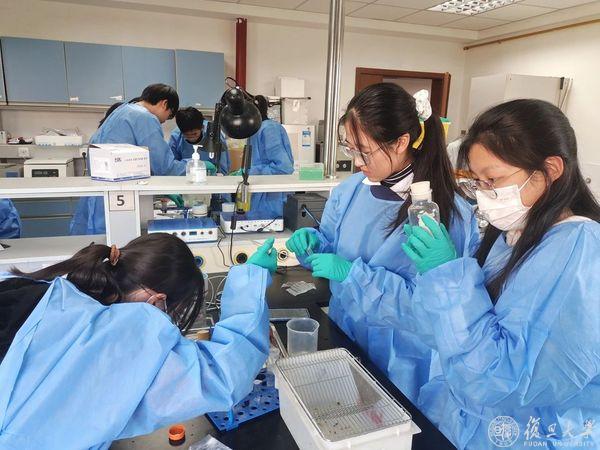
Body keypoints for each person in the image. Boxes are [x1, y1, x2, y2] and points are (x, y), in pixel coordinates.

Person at [401, 99, 600, 449]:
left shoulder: (578, 248)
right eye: (477, 183)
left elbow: (504, 381)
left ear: (551, 169)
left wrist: (448, 278)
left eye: (493, 180)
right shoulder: (512, 235)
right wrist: (436, 280)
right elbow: (447, 339)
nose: (483, 196)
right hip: (470, 424)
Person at [285, 83, 479, 402]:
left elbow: (432, 311)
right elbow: (334, 248)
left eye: (363, 151)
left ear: (401, 142)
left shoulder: (443, 212)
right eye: (349, 148)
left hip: (403, 358)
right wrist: (314, 247)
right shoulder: (351, 190)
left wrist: (353, 275)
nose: (356, 162)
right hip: (346, 334)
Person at [0, 232, 277, 449]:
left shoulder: (35, 289)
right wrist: (250, 280)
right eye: (173, 313)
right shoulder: (115, 341)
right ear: (157, 301)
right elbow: (223, 375)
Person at [70, 84, 186, 235]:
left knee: (97, 241)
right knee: (117, 240)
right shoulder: (145, 118)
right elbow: (165, 166)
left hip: (100, 192)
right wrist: (195, 166)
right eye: (169, 115)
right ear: (164, 104)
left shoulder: (122, 110)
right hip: (119, 197)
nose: (164, 121)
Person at [230, 95, 294, 218]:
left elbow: (283, 168)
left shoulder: (269, 129)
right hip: (258, 198)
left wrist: (251, 172)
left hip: (271, 202)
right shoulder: (254, 130)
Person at [169, 107, 230, 174]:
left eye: (194, 134)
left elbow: (223, 168)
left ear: (202, 127)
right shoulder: (176, 137)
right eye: (187, 135)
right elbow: (172, 167)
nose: (191, 138)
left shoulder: (214, 135)